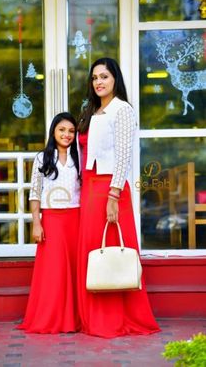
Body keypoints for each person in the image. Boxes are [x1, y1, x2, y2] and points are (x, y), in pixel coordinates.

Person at [77, 57, 161, 338]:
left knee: (112, 250)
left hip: (109, 189)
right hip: (89, 187)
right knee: (93, 251)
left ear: (115, 79)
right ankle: (90, 317)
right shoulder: (92, 111)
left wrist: (113, 194)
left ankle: (113, 319)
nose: (99, 82)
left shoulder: (122, 110)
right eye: (94, 78)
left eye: (104, 76)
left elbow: (124, 154)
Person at [18, 112, 81, 333]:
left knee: (74, 271)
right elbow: (34, 193)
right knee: (53, 273)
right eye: (62, 130)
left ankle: (73, 320)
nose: (66, 135)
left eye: (71, 131)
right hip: (52, 219)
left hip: (75, 219)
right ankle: (51, 319)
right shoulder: (42, 158)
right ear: (53, 132)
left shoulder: (79, 158)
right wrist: (37, 223)